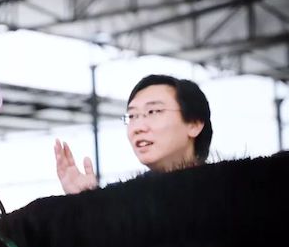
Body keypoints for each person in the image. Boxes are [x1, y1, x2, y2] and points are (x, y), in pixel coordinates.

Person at [55, 74, 213, 194]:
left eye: (153, 111)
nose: (138, 127)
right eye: (132, 116)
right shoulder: (123, 200)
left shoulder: (223, 192)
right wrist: (88, 202)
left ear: (194, 124)